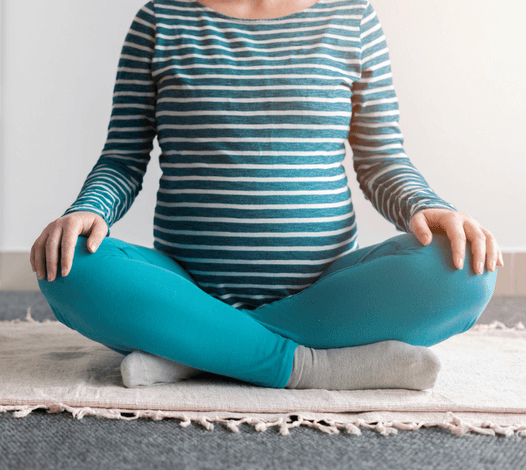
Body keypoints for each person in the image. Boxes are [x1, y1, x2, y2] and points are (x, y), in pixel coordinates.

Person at [31, 0, 501, 390]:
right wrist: (87, 209)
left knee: (465, 272)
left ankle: (199, 352)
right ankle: (311, 366)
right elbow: (122, 158)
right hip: (189, 289)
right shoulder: (159, 20)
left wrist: (429, 207)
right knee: (68, 264)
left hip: (325, 293)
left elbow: (382, 161)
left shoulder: (352, 18)